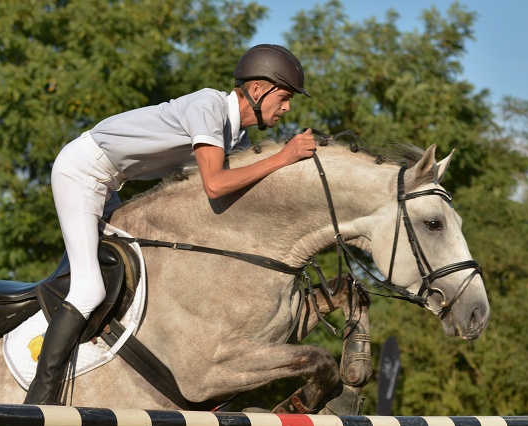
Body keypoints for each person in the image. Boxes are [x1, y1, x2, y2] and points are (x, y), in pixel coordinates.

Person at [25, 44, 316, 406]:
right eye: (284, 97)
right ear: (258, 90)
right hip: (83, 172)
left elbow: (221, 199)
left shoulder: (236, 137)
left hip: (112, 184)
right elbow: (216, 183)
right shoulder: (208, 107)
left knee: (135, 276)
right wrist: (285, 156)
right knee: (89, 290)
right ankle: (40, 398)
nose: (287, 108)